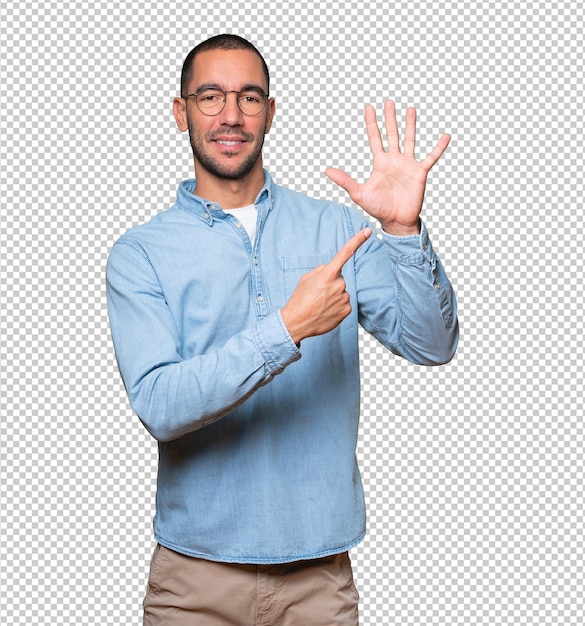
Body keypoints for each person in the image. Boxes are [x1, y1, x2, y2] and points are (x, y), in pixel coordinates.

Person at [106, 33, 458, 626]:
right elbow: (159, 405)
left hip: (319, 579)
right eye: (210, 97)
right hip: (195, 581)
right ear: (180, 111)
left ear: (271, 111)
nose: (230, 115)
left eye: (249, 97)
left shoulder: (337, 227)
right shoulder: (140, 253)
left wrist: (402, 231)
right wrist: (288, 327)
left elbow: (431, 344)